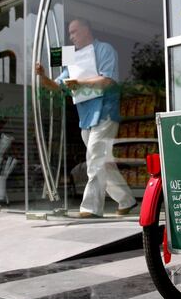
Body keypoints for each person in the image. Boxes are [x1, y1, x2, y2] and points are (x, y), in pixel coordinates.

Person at [36, 18, 137, 218]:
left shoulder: (105, 50)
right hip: (86, 116)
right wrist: (43, 76)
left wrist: (80, 83)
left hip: (106, 112)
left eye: (74, 32)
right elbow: (57, 86)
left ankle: (91, 208)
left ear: (87, 30)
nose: (71, 37)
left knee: (94, 158)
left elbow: (108, 80)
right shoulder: (72, 58)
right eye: (70, 33)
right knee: (104, 163)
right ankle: (127, 200)